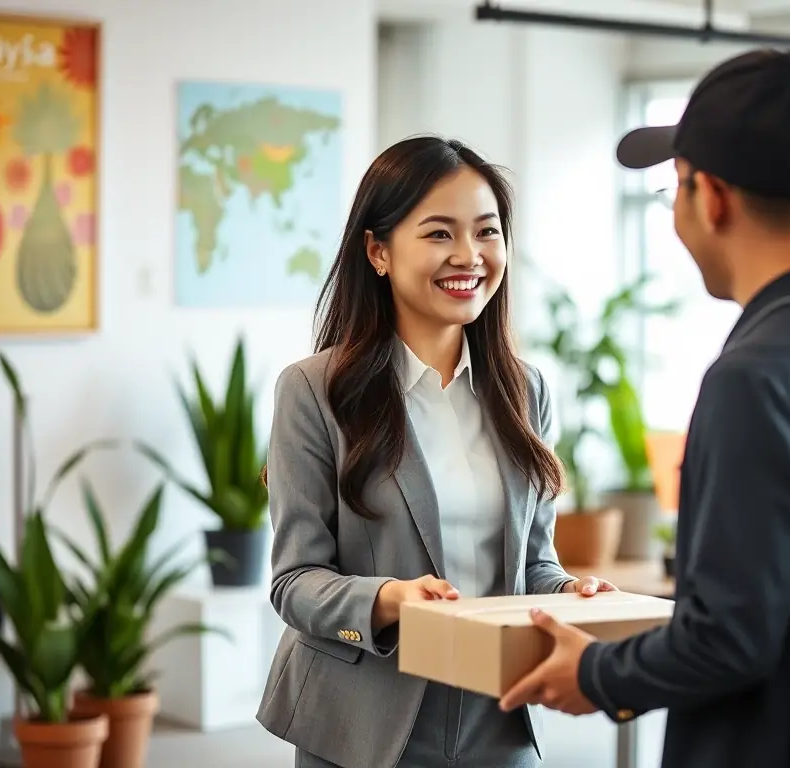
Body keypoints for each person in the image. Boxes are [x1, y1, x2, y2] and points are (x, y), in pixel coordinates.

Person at [498, 48, 790, 768]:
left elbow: (729, 639)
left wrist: (593, 672)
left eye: (675, 187)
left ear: (711, 197)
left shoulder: (757, 378)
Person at [255, 135, 617, 768]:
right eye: (439, 234)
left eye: (486, 232)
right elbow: (294, 582)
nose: (469, 256)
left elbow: (532, 564)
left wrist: (568, 591)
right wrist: (389, 598)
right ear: (378, 251)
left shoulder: (525, 391)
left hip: (496, 716)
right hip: (366, 722)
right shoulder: (313, 390)